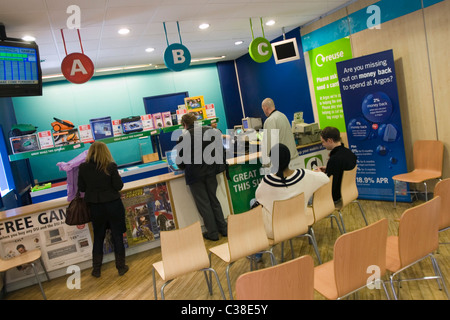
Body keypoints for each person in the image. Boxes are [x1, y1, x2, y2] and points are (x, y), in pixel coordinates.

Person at [255, 143, 330, 239]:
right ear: (289, 158)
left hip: (275, 230)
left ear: (273, 162)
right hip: (300, 222)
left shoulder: (267, 181)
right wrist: (318, 172)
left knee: (254, 202)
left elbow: (258, 196)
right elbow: (325, 179)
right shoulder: (304, 175)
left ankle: (257, 250)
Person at [78, 141, 128, 277]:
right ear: (106, 152)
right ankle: (121, 267)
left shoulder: (83, 167)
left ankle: (96, 269)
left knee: (98, 237)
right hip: (113, 205)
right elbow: (118, 186)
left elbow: (82, 188)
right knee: (117, 235)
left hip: (95, 207)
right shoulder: (110, 166)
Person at [176, 113, 228, 241]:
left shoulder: (184, 137)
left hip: (195, 176)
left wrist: (183, 167)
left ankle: (213, 233)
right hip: (211, 172)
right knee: (214, 200)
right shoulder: (209, 131)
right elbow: (220, 149)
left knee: (204, 205)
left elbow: (180, 162)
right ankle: (224, 229)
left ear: (184, 124)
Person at [318, 126, 357, 203]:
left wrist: (319, 174)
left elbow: (328, 184)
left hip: (334, 197)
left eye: (323, 142)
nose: (323, 144)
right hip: (348, 192)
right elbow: (340, 170)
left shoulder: (334, 159)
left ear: (329, 140)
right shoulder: (350, 153)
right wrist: (328, 168)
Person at [261, 98, 301, 170]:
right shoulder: (283, 116)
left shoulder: (270, 120)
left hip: (281, 163)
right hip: (293, 158)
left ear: (265, 108)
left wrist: (266, 164)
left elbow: (270, 145)